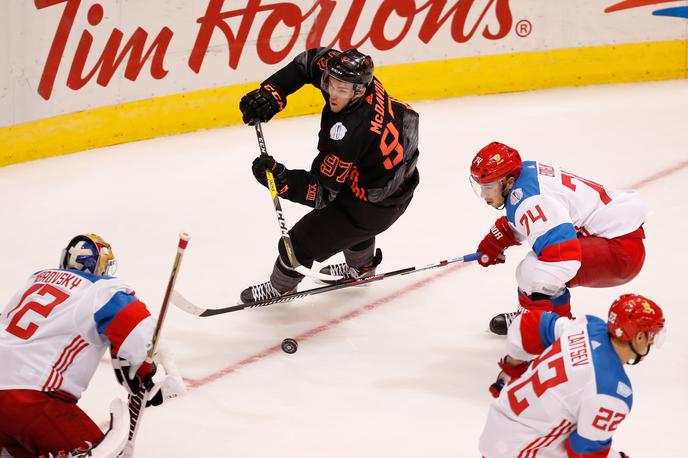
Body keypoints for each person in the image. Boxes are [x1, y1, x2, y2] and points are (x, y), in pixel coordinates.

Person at [237, 48, 420, 303]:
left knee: (298, 245)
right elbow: (307, 62)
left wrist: (280, 179)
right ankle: (362, 269)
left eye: (342, 89)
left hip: (375, 203)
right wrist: (273, 92)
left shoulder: (347, 133)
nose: (333, 93)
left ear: (358, 91)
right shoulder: (359, 82)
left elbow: (320, 193)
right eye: (330, 84)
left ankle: (280, 288)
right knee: (352, 219)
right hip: (392, 182)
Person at [0, 234, 183, 458]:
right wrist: (150, 375)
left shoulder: (35, 281)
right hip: (31, 398)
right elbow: (140, 336)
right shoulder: (100, 290)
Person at [470, 142, 647, 335]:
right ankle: (532, 319)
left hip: (620, 251)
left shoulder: (529, 200)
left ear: (509, 182)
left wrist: (539, 315)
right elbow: (543, 214)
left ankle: (559, 333)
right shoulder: (525, 173)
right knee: (536, 268)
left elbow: (563, 257)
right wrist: (498, 237)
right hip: (615, 235)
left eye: (488, 187)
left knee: (533, 270)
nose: (483, 194)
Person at [479, 293, 665, 457]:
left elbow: (527, 325)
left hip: (498, 422)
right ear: (639, 337)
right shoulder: (612, 390)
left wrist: (513, 368)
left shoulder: (588, 326)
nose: (652, 342)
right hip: (520, 450)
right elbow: (585, 453)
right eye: (651, 336)